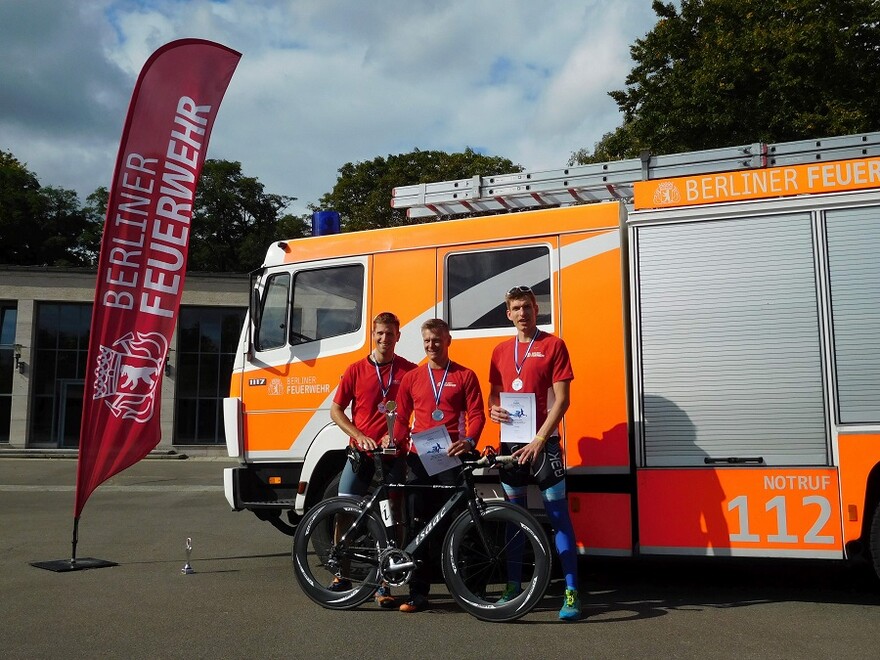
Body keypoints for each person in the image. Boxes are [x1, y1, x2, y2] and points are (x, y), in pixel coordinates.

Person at [487, 285, 581, 621]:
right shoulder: (499, 351)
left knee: (559, 520)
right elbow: (494, 398)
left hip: (545, 446)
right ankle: (514, 586)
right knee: (515, 520)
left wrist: (541, 439)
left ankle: (571, 592)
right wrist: (493, 411)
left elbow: (563, 400)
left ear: (536, 309)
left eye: (527, 307)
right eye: (516, 308)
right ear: (508, 313)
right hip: (512, 446)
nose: (522, 313)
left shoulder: (554, 345)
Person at [393, 318, 485, 613]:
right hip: (419, 459)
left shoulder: (465, 375)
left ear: (448, 341)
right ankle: (418, 593)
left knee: (461, 524)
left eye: (437, 340)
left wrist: (469, 441)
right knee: (418, 526)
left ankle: (471, 589)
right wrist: (395, 441)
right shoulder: (412, 378)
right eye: (427, 341)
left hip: (451, 457)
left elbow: (477, 415)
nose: (431, 346)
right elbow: (401, 418)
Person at [329, 311, 417, 608]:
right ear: (373, 334)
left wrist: (401, 435)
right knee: (344, 508)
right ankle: (340, 573)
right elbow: (336, 411)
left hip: (393, 456)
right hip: (361, 455)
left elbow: (422, 407)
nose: (384, 339)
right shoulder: (355, 370)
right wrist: (359, 434)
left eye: (390, 334)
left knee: (392, 516)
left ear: (398, 336)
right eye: (379, 333)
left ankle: (385, 581)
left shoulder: (408, 370)